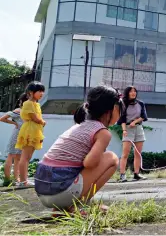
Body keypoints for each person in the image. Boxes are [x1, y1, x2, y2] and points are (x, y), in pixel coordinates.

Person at [34, 85, 120, 214]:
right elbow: (89, 164)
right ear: (112, 109)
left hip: (42, 190)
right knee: (111, 158)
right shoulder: (103, 133)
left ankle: (61, 208)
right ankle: (77, 205)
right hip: (60, 191)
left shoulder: (79, 126)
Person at [15, 81, 46, 187]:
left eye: (42, 91)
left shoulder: (35, 104)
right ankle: (23, 182)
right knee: (25, 157)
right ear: (31, 92)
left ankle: (24, 180)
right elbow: (35, 118)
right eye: (39, 91)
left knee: (27, 157)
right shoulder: (28, 103)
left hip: (33, 131)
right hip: (29, 131)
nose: (41, 93)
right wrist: (42, 122)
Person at [118, 86, 149, 183]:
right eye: (131, 91)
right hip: (127, 129)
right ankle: (122, 175)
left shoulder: (140, 103)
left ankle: (136, 173)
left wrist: (135, 122)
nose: (133, 93)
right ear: (127, 93)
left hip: (138, 128)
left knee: (138, 153)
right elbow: (122, 119)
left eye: (135, 91)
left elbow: (144, 117)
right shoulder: (123, 104)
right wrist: (124, 130)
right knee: (125, 153)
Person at [0, 93, 27, 186]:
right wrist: (14, 124)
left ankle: (15, 179)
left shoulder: (26, 111)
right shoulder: (19, 111)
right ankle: (7, 180)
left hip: (22, 136)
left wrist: (15, 124)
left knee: (17, 157)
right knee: (12, 156)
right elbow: (2, 118)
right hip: (18, 135)